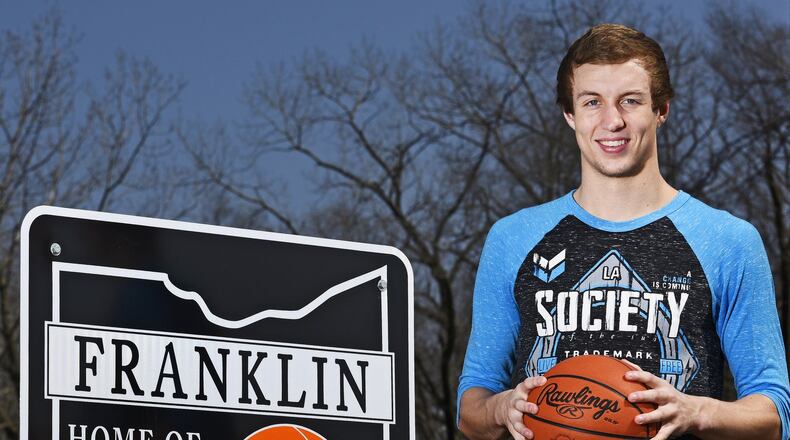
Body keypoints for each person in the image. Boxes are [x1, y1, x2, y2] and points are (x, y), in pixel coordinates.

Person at [457, 23, 790, 440]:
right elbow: (470, 409)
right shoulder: (512, 238)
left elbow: (773, 412)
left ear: (661, 109)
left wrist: (697, 411)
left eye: (630, 101)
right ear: (569, 114)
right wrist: (500, 407)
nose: (612, 121)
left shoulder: (728, 241)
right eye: (592, 102)